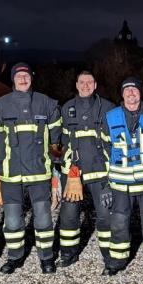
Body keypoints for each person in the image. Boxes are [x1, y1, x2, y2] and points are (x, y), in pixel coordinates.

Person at [0, 62, 62, 275]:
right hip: (10, 174)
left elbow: (56, 140)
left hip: (39, 173)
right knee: (12, 220)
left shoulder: (46, 103)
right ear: (13, 79)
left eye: (26, 76)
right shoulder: (0, 105)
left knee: (44, 218)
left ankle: (46, 258)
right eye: (18, 76)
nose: (23, 79)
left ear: (31, 78)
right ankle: (14, 257)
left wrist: (56, 170)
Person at [102, 77, 143, 278]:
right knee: (119, 222)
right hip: (120, 182)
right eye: (127, 90)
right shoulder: (111, 116)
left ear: (140, 92)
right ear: (122, 94)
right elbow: (105, 149)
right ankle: (116, 262)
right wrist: (106, 183)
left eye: (134, 89)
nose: (131, 93)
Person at [57, 71, 116, 268]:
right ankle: (68, 254)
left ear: (95, 85)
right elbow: (61, 141)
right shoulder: (67, 108)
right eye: (82, 82)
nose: (85, 86)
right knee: (68, 214)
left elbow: (115, 143)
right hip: (74, 172)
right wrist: (63, 168)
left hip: (100, 172)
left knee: (106, 215)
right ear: (76, 85)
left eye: (89, 82)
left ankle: (109, 257)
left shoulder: (108, 108)